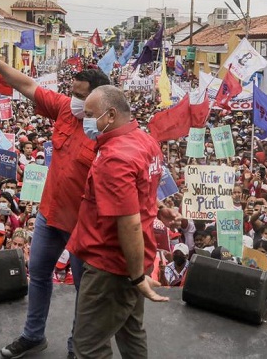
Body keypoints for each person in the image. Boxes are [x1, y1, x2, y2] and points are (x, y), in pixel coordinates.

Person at [0, 34, 111, 359]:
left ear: (100, 99)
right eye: (73, 94)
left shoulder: (109, 133)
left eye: (81, 96)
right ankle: (33, 336)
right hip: (49, 216)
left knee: (84, 293)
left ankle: (76, 348)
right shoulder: (65, 109)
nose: (74, 100)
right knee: (38, 275)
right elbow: (27, 85)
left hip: (84, 229)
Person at [67, 85, 167, 358]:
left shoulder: (114, 157)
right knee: (130, 331)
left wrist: (136, 278)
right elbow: (141, 193)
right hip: (134, 259)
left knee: (88, 346)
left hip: (110, 265)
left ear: (110, 115)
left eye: (89, 114)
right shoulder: (145, 140)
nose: (84, 120)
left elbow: (130, 222)